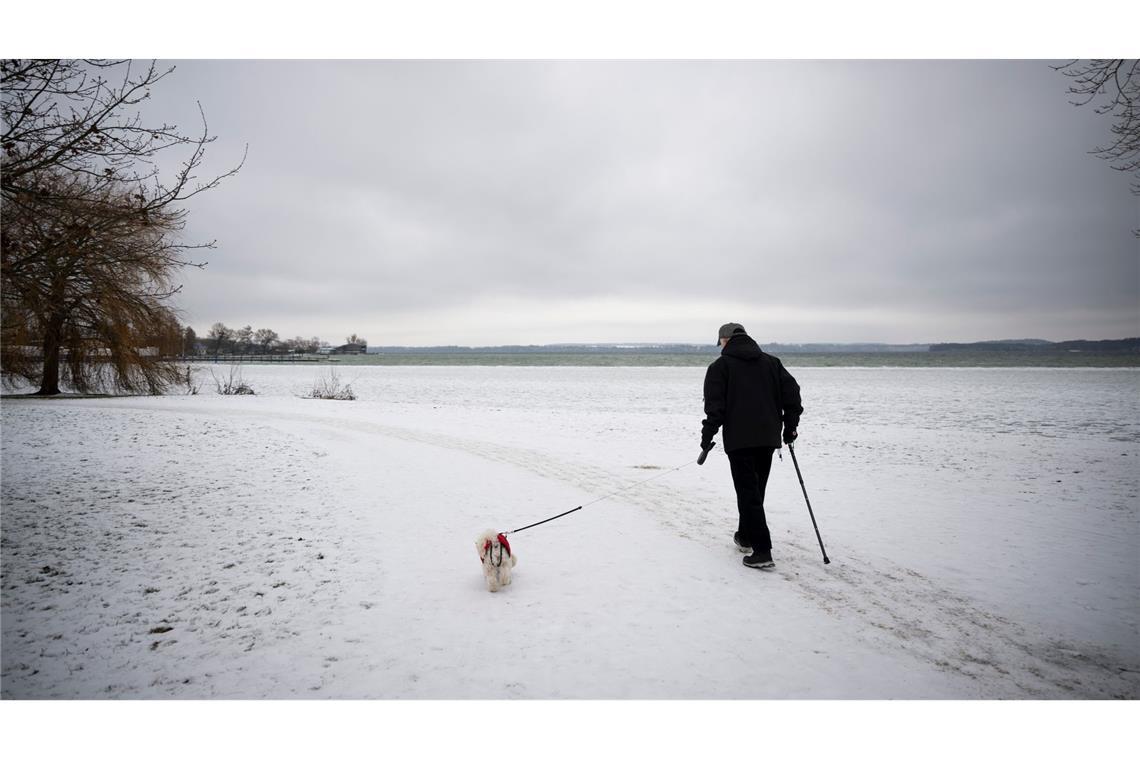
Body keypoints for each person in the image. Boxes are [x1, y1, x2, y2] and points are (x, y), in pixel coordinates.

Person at [700, 323, 803, 570]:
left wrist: (707, 437)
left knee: (748, 492)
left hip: (739, 439)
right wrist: (790, 427)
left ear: (725, 341)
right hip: (768, 437)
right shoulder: (771, 362)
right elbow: (793, 397)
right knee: (755, 490)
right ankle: (746, 536)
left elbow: (715, 409)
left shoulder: (720, 367)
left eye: (720, 343)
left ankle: (762, 550)